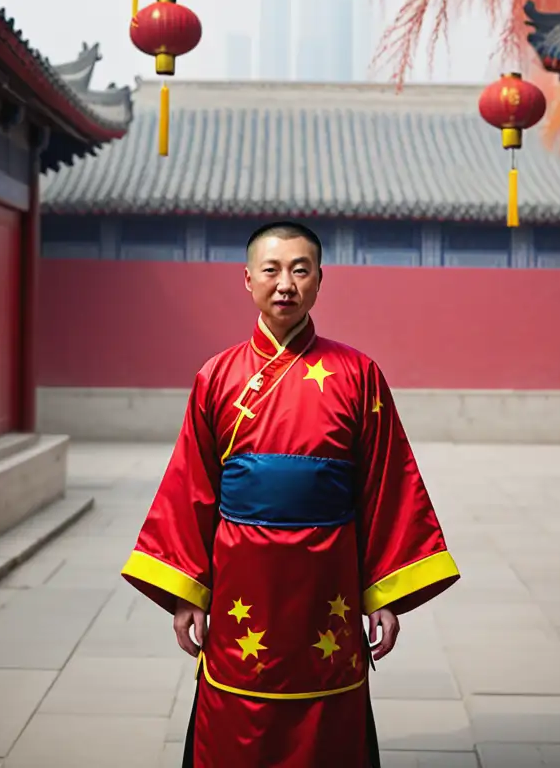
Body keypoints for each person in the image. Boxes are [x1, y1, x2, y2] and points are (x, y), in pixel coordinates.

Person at [121, 221, 459, 767]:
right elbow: (191, 487)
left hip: (328, 583)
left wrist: (386, 593)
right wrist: (187, 592)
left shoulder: (358, 374)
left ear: (320, 281)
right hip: (242, 579)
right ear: (248, 279)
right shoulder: (218, 375)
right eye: (272, 270)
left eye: (300, 270)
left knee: (325, 710)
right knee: (237, 710)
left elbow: (387, 487)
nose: (286, 284)